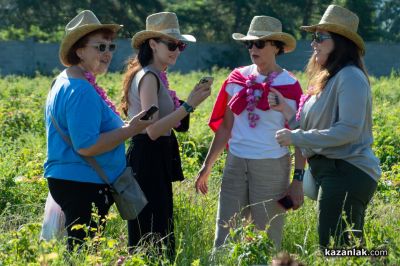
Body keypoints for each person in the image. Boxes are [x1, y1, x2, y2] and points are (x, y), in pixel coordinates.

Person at [272, 5, 381, 248]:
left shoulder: (350, 76)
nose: (314, 43)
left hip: (347, 171)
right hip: (335, 171)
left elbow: (348, 130)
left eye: (320, 37)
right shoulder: (331, 78)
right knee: (341, 246)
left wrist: (297, 137)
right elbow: (312, 128)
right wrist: (287, 113)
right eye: (314, 37)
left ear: (340, 42)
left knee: (335, 247)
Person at [44, 10, 152, 250]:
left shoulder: (64, 81)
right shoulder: (80, 89)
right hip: (83, 183)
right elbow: (86, 145)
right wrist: (130, 130)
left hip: (75, 180)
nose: (107, 54)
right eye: (100, 47)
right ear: (79, 50)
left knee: (80, 250)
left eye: (111, 47)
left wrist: (126, 128)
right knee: (85, 253)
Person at [195, 16, 304, 249]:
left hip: (272, 168)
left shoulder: (290, 86)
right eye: (249, 44)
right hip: (235, 165)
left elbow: (299, 136)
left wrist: (298, 180)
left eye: (260, 43)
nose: (253, 48)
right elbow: (225, 127)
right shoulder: (236, 79)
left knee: (267, 239)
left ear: (277, 46)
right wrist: (207, 166)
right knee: (224, 236)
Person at [121, 12, 211, 255]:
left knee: (159, 228)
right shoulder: (149, 76)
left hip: (155, 157)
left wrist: (186, 103)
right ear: (152, 44)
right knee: (152, 232)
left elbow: (167, 123)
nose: (177, 50)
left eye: (180, 45)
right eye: (171, 44)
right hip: (148, 157)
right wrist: (188, 105)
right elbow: (151, 129)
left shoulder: (156, 75)